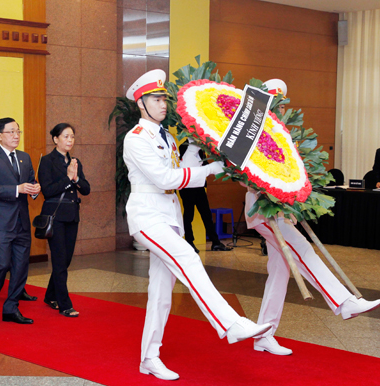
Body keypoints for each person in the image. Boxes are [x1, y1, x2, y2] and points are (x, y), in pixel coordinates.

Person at [123, 70, 272, 381]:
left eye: (164, 98)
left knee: (161, 293)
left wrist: (198, 147)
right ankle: (229, 323)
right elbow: (165, 180)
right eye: (155, 99)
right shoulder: (135, 139)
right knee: (188, 257)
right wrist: (215, 166)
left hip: (169, 217)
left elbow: (183, 172)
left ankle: (149, 358)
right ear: (140, 103)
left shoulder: (165, 137)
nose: (163, 104)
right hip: (148, 217)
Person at [244, 190, 380, 355]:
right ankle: (345, 302)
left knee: (278, 274)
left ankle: (263, 335)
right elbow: (242, 176)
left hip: (278, 211)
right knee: (303, 250)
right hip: (264, 211)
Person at [0, 117, 41, 324]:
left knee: (21, 266)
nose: (16, 136)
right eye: (11, 132)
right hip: (0, 222)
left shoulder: (24, 157)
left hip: (22, 221)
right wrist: (17, 189)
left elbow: (30, 181)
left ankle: (11, 308)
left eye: (18, 131)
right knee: (2, 263)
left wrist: (34, 190)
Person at [38, 123, 90, 317]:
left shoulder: (75, 161)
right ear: (55, 139)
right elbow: (48, 190)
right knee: (59, 260)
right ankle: (64, 304)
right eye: (66, 136)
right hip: (55, 216)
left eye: (72, 137)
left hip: (72, 215)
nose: (70, 140)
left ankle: (50, 295)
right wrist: (68, 178)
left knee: (65, 260)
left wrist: (75, 179)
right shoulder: (47, 161)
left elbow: (86, 189)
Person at [178, 142, 232, 252]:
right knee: (189, 215)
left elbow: (205, 164)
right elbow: (187, 166)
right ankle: (189, 242)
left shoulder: (201, 148)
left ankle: (215, 242)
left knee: (206, 214)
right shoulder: (184, 146)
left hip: (199, 186)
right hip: (187, 187)